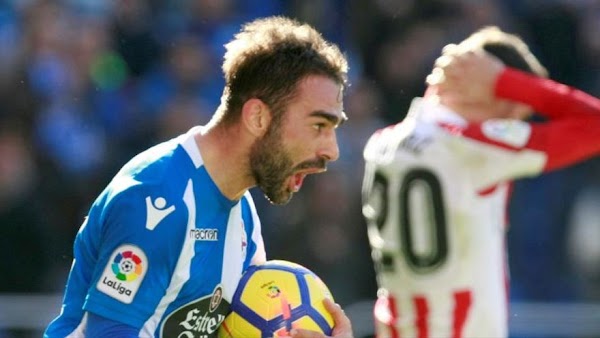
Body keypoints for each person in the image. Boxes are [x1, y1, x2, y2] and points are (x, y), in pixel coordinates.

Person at [44, 16, 354, 338]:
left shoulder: (242, 212)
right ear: (258, 117)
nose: (332, 151)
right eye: (319, 126)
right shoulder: (157, 201)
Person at [361, 26, 600, 338]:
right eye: (518, 111)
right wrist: (505, 82)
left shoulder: (382, 142)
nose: (517, 119)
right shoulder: (467, 146)